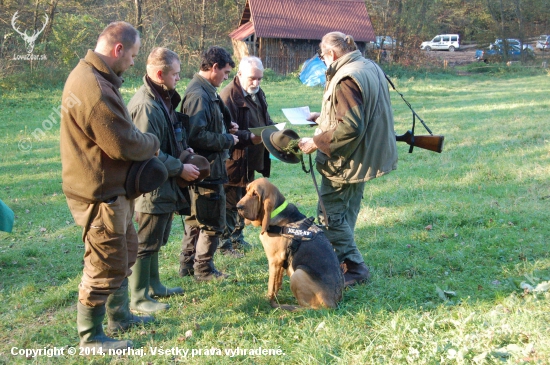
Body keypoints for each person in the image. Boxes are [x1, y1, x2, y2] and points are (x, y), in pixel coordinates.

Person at [60, 21, 159, 350]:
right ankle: (91, 337)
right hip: (98, 195)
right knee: (103, 264)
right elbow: (123, 144)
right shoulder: (94, 85)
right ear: (118, 49)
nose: (133, 62)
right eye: (132, 55)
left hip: (112, 190)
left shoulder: (96, 76)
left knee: (124, 252)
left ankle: (119, 317)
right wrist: (153, 142)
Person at [298, 32, 398, 287]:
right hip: (361, 156)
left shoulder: (346, 78)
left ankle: (354, 267)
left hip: (345, 159)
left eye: (321, 56)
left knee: (330, 216)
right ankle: (341, 260)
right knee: (346, 211)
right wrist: (322, 117)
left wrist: (315, 143)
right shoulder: (367, 66)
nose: (321, 61)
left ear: (331, 54)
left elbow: (351, 126)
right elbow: (359, 114)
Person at [127, 47, 200, 313]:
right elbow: (148, 152)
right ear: (160, 74)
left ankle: (154, 285)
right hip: (150, 186)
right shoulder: (146, 106)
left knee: (156, 238)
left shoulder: (161, 98)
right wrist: (179, 167)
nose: (179, 79)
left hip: (162, 181)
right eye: (176, 74)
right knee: (145, 243)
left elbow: (164, 139)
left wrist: (183, 151)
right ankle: (138, 297)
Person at [178, 46, 239, 281]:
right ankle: (203, 269)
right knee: (212, 220)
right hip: (207, 169)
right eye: (224, 72)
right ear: (213, 68)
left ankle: (187, 266)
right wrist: (227, 138)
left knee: (196, 219)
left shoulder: (208, 90)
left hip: (208, 167)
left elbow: (208, 124)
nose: (226, 77)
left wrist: (226, 125)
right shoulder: (198, 94)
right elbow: (195, 135)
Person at [218, 56, 274, 257]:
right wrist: (248, 137)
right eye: (252, 78)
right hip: (234, 159)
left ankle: (237, 237)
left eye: (260, 78)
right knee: (230, 202)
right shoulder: (228, 97)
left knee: (244, 198)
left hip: (251, 158)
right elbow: (224, 131)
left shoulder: (258, 92)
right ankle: (224, 245)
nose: (256, 83)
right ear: (239, 74)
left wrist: (273, 129)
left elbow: (265, 118)